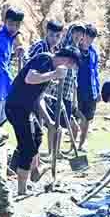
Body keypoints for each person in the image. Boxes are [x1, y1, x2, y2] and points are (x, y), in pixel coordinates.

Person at [5, 46, 80, 195]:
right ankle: (22, 188)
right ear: (67, 60)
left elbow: (39, 99)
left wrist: (49, 121)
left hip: (26, 109)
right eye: (70, 65)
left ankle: (28, 169)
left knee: (37, 136)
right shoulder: (45, 59)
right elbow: (30, 78)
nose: (69, 68)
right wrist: (53, 74)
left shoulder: (50, 68)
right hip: (16, 108)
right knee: (27, 147)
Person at [43, 23, 85, 155]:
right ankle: (52, 152)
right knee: (55, 124)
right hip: (57, 92)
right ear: (71, 33)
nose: (78, 35)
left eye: (81, 33)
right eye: (75, 32)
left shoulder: (77, 52)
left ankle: (57, 151)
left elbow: (74, 79)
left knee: (61, 124)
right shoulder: (65, 49)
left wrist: (74, 99)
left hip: (67, 94)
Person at [76, 24, 101, 151]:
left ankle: (82, 144)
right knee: (76, 118)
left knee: (87, 119)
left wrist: (98, 90)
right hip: (77, 90)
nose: (89, 40)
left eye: (92, 38)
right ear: (83, 35)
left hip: (91, 91)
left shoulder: (93, 52)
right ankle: (72, 145)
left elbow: (96, 72)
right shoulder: (75, 50)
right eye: (88, 36)